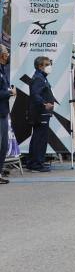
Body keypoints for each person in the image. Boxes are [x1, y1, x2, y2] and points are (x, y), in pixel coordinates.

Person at [27, 56, 56, 172]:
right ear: (40, 66)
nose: (49, 67)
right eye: (47, 64)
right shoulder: (39, 78)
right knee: (40, 138)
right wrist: (44, 104)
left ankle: (33, 162)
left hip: (43, 113)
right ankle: (37, 164)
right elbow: (35, 94)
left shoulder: (42, 77)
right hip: (41, 113)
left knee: (37, 138)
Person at [0, 45, 16, 184]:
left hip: (3, 112)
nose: (8, 54)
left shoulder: (2, 70)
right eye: (6, 52)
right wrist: (9, 92)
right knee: (1, 145)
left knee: (3, 145)